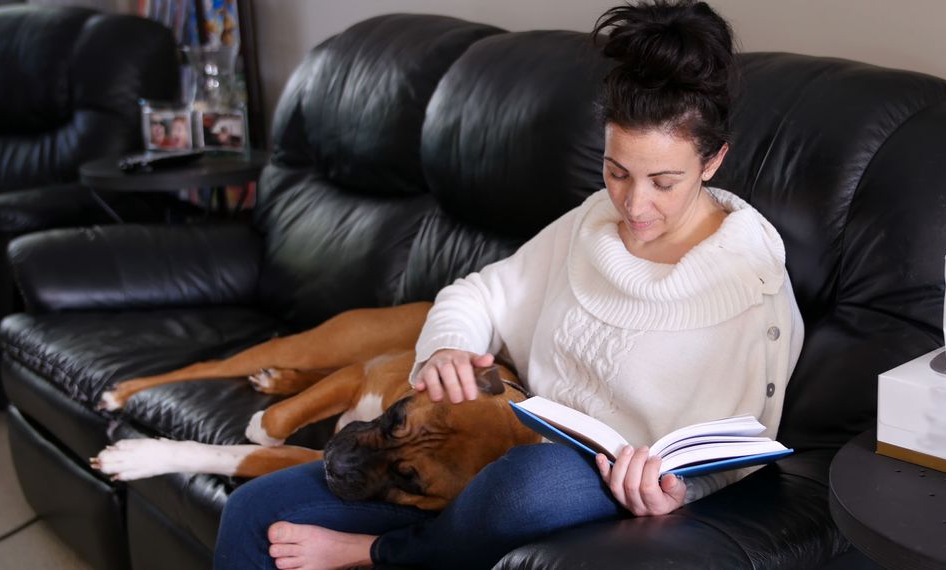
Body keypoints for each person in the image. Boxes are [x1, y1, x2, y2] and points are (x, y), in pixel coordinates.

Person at [213, 1, 804, 568]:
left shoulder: (749, 282)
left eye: (663, 181)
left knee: (530, 485)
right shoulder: (593, 222)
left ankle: (380, 553)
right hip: (485, 453)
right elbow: (477, 293)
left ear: (712, 161)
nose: (634, 203)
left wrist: (674, 494)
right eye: (617, 170)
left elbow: (735, 455)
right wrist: (445, 347)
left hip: (574, 488)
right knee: (250, 513)